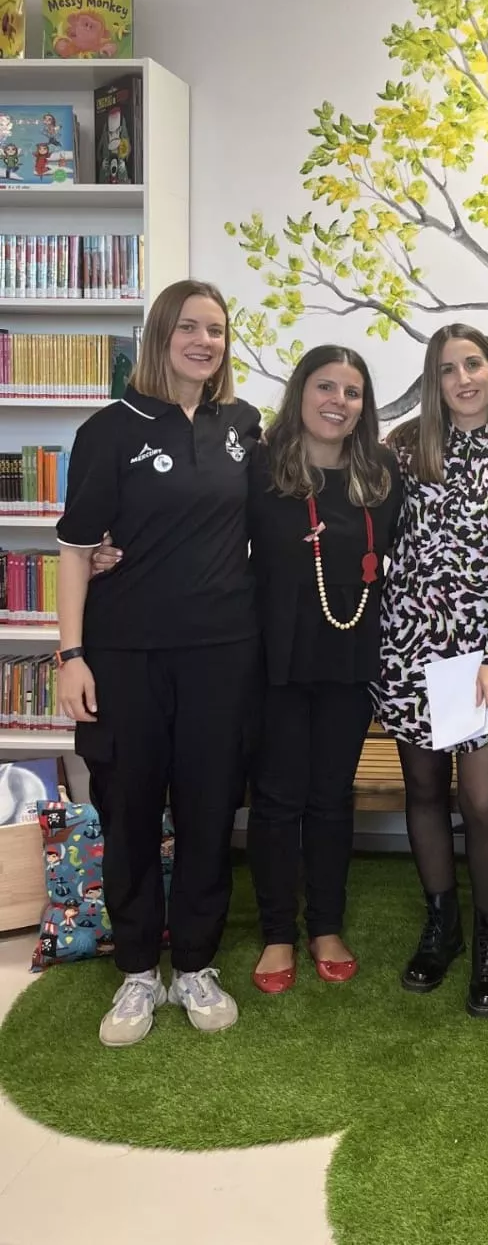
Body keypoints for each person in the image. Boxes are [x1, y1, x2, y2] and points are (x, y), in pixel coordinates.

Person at [55, 280, 262, 1047]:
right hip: (127, 654)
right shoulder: (109, 429)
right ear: (160, 335)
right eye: (189, 326)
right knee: (132, 809)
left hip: (223, 654)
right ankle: (140, 970)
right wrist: (72, 654)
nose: (204, 340)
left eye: (216, 328)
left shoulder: (245, 425)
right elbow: (76, 552)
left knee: (210, 810)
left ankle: (198, 965)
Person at [372, 324, 488, 1018]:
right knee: (422, 788)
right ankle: (440, 921)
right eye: (448, 369)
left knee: (481, 801)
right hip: (409, 648)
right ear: (434, 380)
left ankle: (487, 939)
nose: (463, 378)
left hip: (481, 660)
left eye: (473, 363)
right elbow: (355, 515)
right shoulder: (407, 452)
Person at [245, 346, 402, 995]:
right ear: (301, 391)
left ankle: (326, 927)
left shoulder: (382, 471)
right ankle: (279, 931)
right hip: (274, 656)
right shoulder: (261, 466)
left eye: (353, 391)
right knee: (279, 798)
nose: (339, 400)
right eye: (326, 386)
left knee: (331, 798)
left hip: (349, 654)